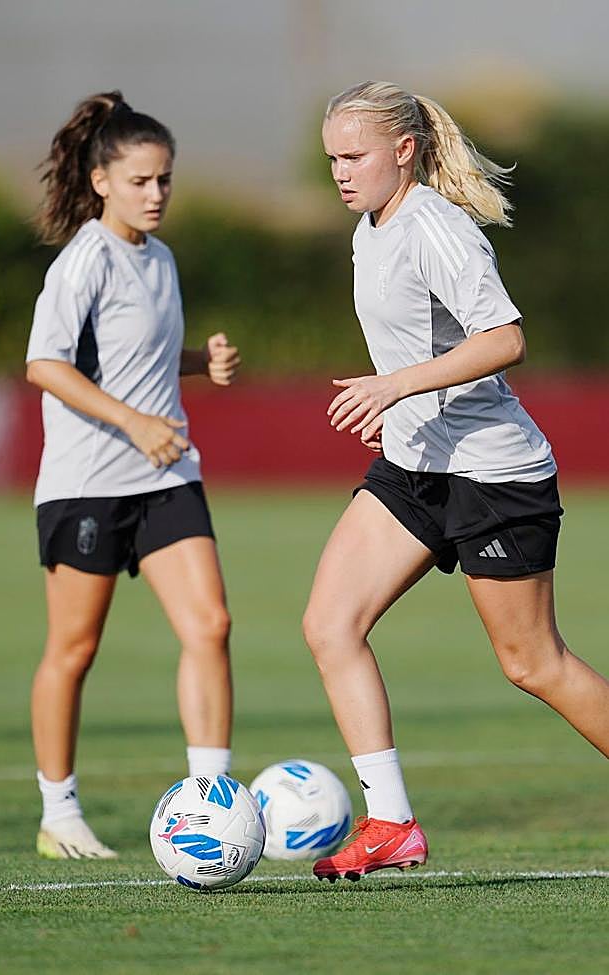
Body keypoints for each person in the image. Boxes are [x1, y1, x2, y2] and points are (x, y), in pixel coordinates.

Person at [303, 81, 609, 883]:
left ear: (404, 150)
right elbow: (420, 348)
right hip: (416, 467)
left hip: (493, 475)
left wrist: (396, 387)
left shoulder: (434, 226)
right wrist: (399, 406)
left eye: (354, 155)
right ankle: (390, 823)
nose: (340, 172)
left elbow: (505, 338)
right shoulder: (371, 227)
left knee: (533, 664)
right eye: (332, 157)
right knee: (331, 625)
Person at [26, 91, 241, 859]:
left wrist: (199, 363)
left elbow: (133, 356)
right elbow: (45, 363)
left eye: (165, 180)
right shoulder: (83, 260)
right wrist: (135, 422)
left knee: (210, 625)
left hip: (166, 475)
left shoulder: (162, 258)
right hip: (88, 481)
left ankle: (212, 801)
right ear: (101, 181)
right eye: (140, 181)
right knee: (74, 649)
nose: (156, 194)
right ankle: (59, 814)